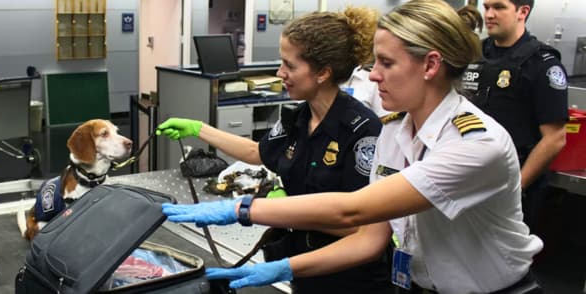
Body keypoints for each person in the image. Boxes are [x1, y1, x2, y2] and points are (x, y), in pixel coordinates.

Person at [161, 0, 544, 293]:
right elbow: (371, 237)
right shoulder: (395, 132)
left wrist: (243, 209)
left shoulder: (476, 144)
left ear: (430, 65)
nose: (372, 74)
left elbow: (352, 210)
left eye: (386, 63)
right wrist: (287, 268)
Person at [157, 7, 393, 294]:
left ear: (323, 72)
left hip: (349, 280)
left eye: (290, 66)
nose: (281, 73)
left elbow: (360, 227)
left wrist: (264, 211)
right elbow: (259, 152)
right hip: (305, 270)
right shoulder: (299, 118)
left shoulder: (361, 131)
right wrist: (198, 129)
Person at [462, 0, 568, 233]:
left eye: (498, 7)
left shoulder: (541, 63)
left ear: (523, 12)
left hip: (513, 184)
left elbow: (555, 138)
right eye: (486, 7)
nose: (488, 14)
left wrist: (516, 187)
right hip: (470, 176)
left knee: (505, 261)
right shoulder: (475, 55)